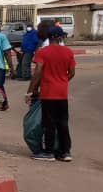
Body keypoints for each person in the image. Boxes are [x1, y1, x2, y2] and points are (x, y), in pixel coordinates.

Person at [26, 26, 75, 162]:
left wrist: (31, 90)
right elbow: (72, 73)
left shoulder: (43, 52)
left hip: (48, 93)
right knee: (63, 123)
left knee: (49, 123)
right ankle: (65, 152)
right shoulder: (68, 52)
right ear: (58, 37)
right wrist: (63, 81)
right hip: (62, 93)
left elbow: (38, 72)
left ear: (49, 37)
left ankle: (49, 152)